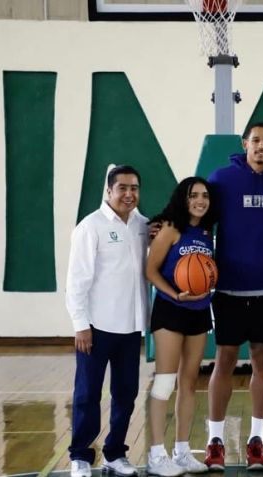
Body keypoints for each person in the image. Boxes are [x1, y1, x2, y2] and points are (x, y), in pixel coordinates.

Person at [205, 123, 263, 470]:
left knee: (262, 360)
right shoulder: (221, 179)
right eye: (256, 140)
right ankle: (214, 440)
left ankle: (255, 440)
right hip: (228, 286)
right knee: (225, 360)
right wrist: (166, 226)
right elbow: (199, 216)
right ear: (245, 144)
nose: (261, 146)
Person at [65, 165, 149, 477]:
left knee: (126, 394)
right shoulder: (91, 226)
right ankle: (81, 457)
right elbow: (76, 280)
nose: (129, 194)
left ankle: (115, 454)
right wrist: (80, 323)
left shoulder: (143, 225)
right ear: (109, 191)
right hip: (96, 328)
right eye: (123, 188)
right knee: (87, 393)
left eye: (135, 188)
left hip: (130, 328)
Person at [143, 177, 217, 476]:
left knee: (189, 383)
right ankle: (156, 454)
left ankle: (182, 451)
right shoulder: (170, 229)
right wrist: (175, 293)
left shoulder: (206, 232)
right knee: (164, 382)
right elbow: (150, 270)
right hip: (170, 310)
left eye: (204, 195)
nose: (200, 200)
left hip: (199, 311)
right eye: (193, 195)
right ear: (182, 199)